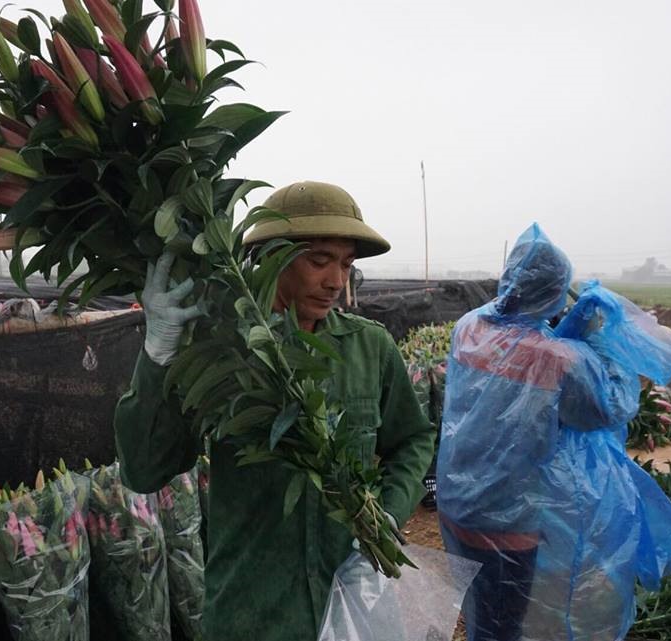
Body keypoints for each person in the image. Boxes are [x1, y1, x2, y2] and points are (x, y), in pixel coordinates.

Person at [114, 181, 436, 641]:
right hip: (253, 614)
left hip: (348, 606)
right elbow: (143, 470)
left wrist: (388, 508)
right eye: (319, 260)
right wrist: (157, 356)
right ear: (268, 258)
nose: (335, 280)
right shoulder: (222, 353)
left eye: (346, 264)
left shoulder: (370, 348)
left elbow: (413, 438)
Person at [436, 224, 641, 641]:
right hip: (507, 521)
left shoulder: (469, 328)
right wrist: (598, 342)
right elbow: (610, 406)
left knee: (480, 609)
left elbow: (515, 356)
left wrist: (565, 338)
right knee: (503, 625)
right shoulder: (560, 357)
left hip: (456, 504)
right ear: (553, 293)